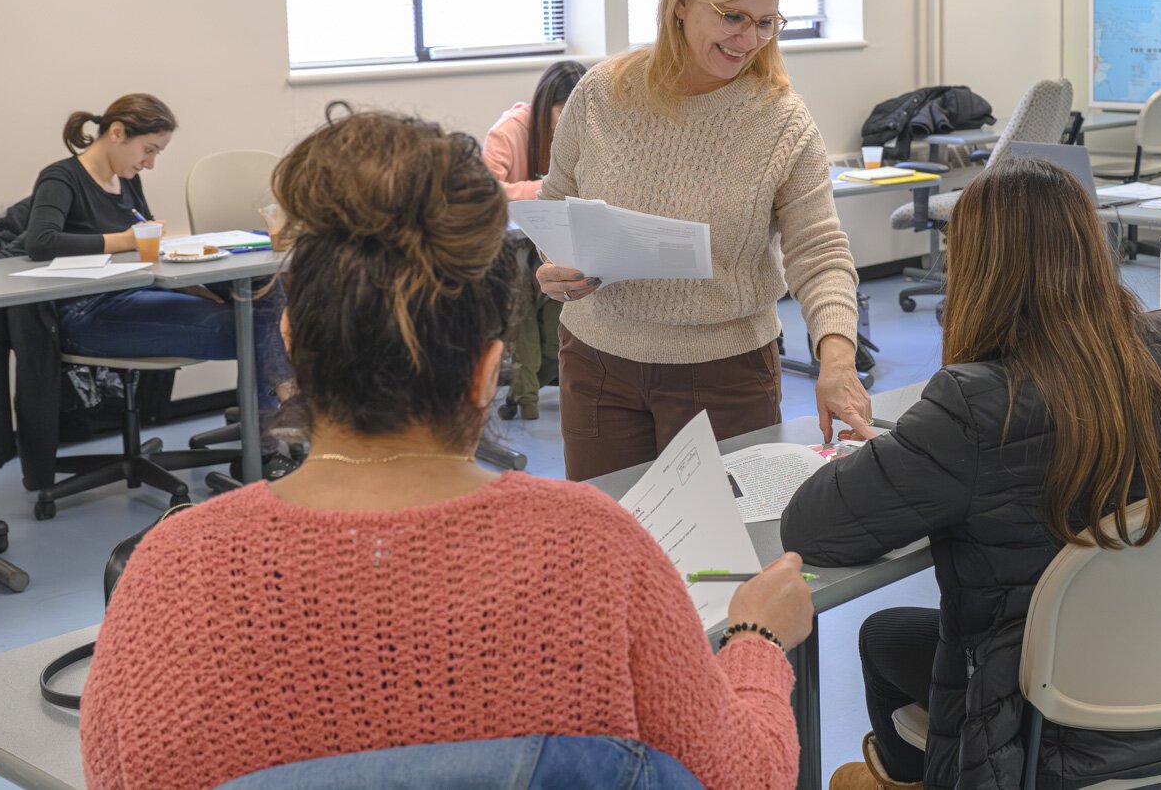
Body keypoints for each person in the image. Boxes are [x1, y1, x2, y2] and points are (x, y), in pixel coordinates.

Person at [80, 107, 812, 790]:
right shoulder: (596, 547)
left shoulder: (169, 574)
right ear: (487, 370)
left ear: (292, 344)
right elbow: (743, 776)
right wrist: (755, 639)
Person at [780, 157, 1161, 790]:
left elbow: (812, 529)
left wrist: (892, 457)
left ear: (978, 271)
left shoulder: (975, 405)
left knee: (882, 636)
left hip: (1047, 722)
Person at [537, 0, 870, 480]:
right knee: (609, 549)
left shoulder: (781, 121)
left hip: (725, 373)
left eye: (766, 22)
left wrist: (837, 358)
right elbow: (556, 205)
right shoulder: (601, 94)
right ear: (682, 2)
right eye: (732, 16)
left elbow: (819, 251)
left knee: (724, 559)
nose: (749, 39)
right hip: (597, 364)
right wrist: (553, 269)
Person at [25, 94, 295, 435]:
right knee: (257, 328)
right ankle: (272, 426)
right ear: (118, 133)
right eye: (148, 149)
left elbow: (147, 251)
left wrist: (190, 285)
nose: (150, 163)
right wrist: (123, 240)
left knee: (264, 287)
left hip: (139, 292)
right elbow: (40, 242)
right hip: (87, 312)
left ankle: (270, 425)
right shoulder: (61, 178)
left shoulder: (127, 179)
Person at [483, 60, 586, 420]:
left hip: (552, 241)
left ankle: (543, 376)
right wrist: (544, 189)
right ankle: (532, 383)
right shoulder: (509, 131)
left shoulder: (580, 132)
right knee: (533, 312)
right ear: (546, 105)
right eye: (563, 111)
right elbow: (485, 193)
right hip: (509, 248)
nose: (570, 122)